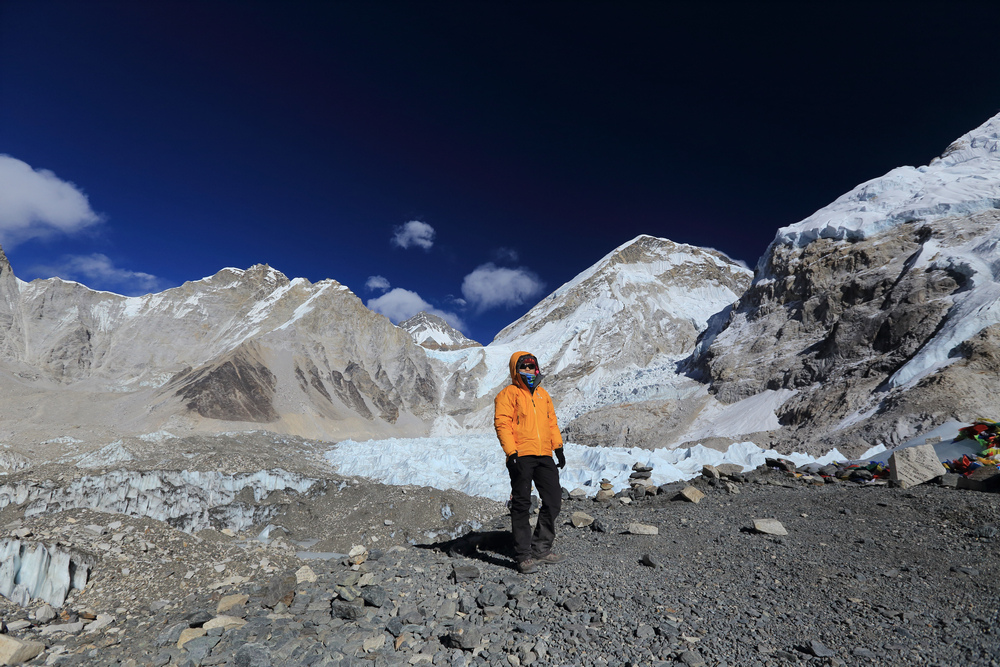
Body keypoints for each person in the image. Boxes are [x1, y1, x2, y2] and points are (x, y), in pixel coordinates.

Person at [494, 351, 567, 574]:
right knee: (522, 504)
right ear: (515, 370)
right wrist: (511, 451)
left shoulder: (543, 395)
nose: (529, 371)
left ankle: (541, 548)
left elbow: (551, 423)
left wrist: (558, 447)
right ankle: (523, 555)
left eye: (531, 367)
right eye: (523, 367)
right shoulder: (508, 394)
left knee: (553, 499)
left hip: (544, 454)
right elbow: (502, 424)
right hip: (521, 455)